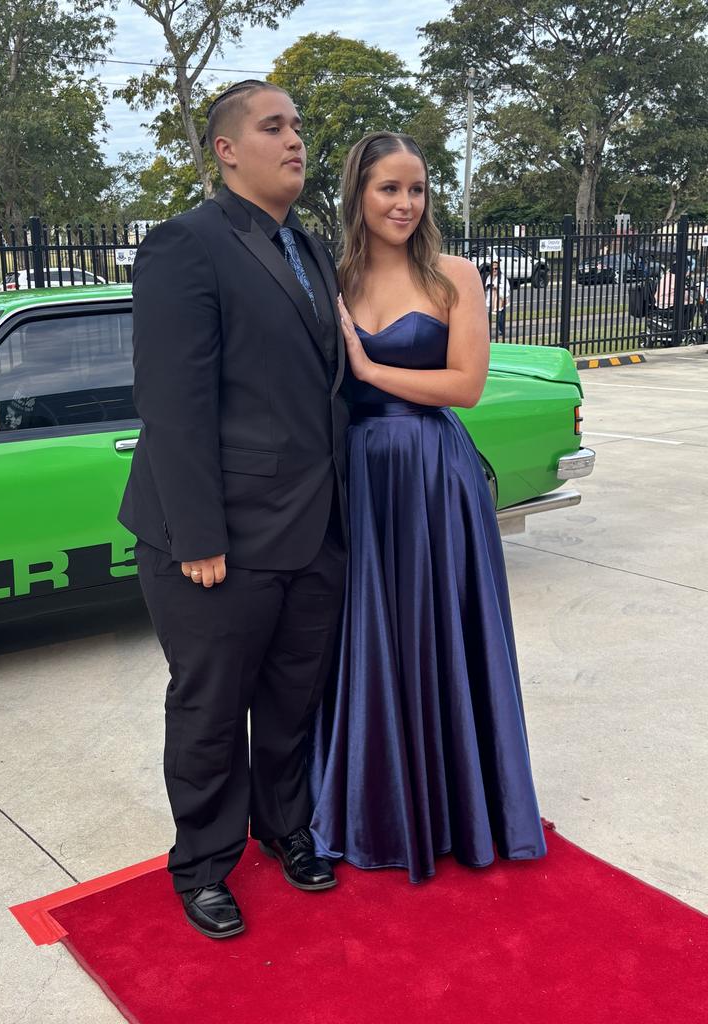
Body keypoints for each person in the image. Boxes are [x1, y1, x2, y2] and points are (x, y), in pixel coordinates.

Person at [119, 80, 349, 939]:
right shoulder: (187, 245)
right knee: (212, 709)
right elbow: (173, 403)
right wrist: (198, 535)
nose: (295, 139)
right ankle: (204, 864)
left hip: (315, 528)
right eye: (274, 126)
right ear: (225, 149)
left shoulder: (310, 248)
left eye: (298, 124)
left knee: (293, 699)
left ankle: (286, 829)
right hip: (217, 539)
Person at [309, 131, 547, 883]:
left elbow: (465, 385)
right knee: (370, 638)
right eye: (389, 188)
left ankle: (462, 807)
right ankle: (375, 806)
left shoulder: (454, 276)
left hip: (434, 475)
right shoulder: (334, 278)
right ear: (359, 194)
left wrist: (369, 365)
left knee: (444, 630)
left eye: (416, 189)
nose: (406, 203)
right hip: (362, 481)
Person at [484, 256, 510, 339]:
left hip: (499, 300)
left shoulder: (502, 277)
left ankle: (501, 331)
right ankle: (487, 332)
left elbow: (507, 287)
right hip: (490, 300)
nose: (494, 270)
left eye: (496, 268)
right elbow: (486, 286)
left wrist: (497, 287)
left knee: (500, 318)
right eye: (493, 268)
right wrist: (489, 286)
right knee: (488, 317)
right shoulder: (489, 277)